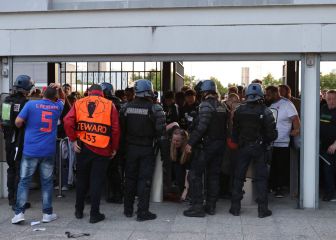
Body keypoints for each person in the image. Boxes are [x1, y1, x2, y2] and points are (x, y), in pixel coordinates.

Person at [64, 84, 120, 223]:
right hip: (102, 148)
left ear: (89, 92)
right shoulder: (109, 105)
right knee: (97, 181)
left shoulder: (78, 103)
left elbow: (67, 121)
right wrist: (114, 148)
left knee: (82, 180)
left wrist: (73, 139)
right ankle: (94, 214)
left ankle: (78, 211)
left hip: (83, 148)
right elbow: (115, 129)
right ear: (102, 93)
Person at [11, 84, 65, 224]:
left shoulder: (31, 104)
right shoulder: (57, 107)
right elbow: (63, 100)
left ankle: (19, 214)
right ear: (55, 97)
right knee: (46, 183)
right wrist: (60, 89)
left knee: (24, 181)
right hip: (48, 151)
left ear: (42, 94)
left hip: (30, 150)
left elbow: (18, 122)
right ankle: (47, 214)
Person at [120, 79, 168, 221]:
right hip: (147, 149)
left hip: (130, 149)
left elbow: (121, 131)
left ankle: (128, 210)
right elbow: (162, 135)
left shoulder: (125, 107)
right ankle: (142, 212)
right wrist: (166, 156)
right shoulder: (156, 109)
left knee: (129, 179)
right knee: (144, 181)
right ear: (149, 91)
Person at [229, 83, 277, 218]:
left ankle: (235, 208)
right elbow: (272, 134)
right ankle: (262, 210)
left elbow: (235, 131)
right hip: (259, 148)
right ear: (261, 95)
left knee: (238, 177)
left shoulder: (239, 110)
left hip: (243, 148)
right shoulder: (266, 111)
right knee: (261, 178)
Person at [183, 79, 228, 217]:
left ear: (204, 92)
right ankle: (211, 206)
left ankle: (197, 208)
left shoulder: (206, 105)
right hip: (220, 145)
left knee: (195, 175)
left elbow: (202, 127)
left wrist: (190, 143)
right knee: (213, 176)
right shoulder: (222, 106)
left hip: (207, 146)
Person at [1, 75, 34, 208]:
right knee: (19, 170)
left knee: (11, 169)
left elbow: (3, 122)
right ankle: (18, 201)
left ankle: (11, 198)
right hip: (19, 141)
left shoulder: (6, 101)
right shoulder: (26, 103)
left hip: (8, 140)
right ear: (26, 89)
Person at [265, 86, 300, 198]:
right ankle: (272, 186)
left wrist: (296, 129)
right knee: (272, 165)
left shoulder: (287, 104)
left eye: (269, 94)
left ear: (276, 93)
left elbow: (295, 118)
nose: (267, 97)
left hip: (282, 140)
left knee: (280, 165)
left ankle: (280, 188)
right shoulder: (268, 104)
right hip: (270, 141)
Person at [99, 82, 124, 204]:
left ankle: (93, 195)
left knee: (98, 169)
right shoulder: (120, 103)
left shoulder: (104, 104)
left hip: (103, 140)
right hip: (116, 140)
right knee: (114, 170)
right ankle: (117, 194)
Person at [320, 90, 336, 201]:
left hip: (333, 146)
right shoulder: (323, 108)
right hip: (323, 145)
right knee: (325, 170)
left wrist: (335, 144)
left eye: (334, 99)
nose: (331, 101)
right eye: (329, 98)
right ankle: (326, 191)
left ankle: (331, 195)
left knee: (329, 170)